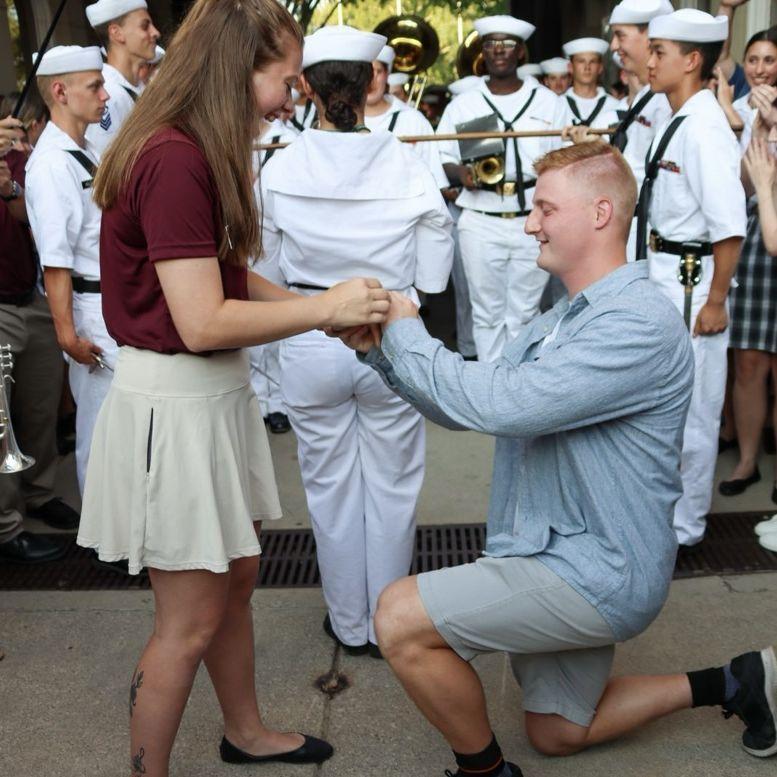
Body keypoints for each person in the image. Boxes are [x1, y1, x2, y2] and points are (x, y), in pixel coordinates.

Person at [337, 140, 776, 777]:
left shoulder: (636, 322)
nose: (529, 222)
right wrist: (382, 353)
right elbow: (473, 401)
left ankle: (485, 773)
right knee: (557, 732)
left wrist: (409, 328)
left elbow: (500, 405)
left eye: (545, 207)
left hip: (598, 570)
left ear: (600, 214)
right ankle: (733, 683)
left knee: (399, 617)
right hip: (550, 549)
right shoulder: (562, 318)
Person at [76, 2, 392, 774]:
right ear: (236, 68)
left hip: (206, 398)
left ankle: (244, 732)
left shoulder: (190, 147)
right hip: (178, 401)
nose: (293, 97)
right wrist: (325, 307)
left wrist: (316, 309)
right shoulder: (176, 157)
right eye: (285, 79)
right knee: (185, 622)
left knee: (237, 575)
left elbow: (220, 276)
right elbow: (201, 318)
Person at [260, 24, 453, 656]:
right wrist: (409, 298)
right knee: (394, 485)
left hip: (313, 333)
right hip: (388, 328)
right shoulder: (406, 160)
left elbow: (266, 272)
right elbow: (436, 261)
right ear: (374, 78)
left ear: (308, 88)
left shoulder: (280, 166)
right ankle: (389, 621)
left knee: (330, 488)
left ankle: (349, 623)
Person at [639, 9, 746, 549]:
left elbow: (730, 227)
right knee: (661, 408)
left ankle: (686, 530)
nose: (649, 60)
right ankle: (664, 517)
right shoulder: (672, 114)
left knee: (695, 412)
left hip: (694, 284)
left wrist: (717, 300)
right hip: (663, 274)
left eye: (660, 52)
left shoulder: (705, 128)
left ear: (692, 60)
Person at [436, 15, 567, 362]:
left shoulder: (548, 102)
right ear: (483, 51)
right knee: (486, 312)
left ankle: (520, 388)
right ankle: (492, 390)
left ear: (520, 52)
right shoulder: (465, 103)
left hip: (533, 220)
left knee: (525, 312)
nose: (498, 51)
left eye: (507, 45)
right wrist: (461, 173)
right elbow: (442, 157)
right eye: (491, 44)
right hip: (479, 219)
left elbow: (565, 162)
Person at [25, 46, 116, 496]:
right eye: (95, 86)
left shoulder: (83, 149)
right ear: (59, 92)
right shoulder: (51, 164)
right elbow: (56, 262)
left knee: (119, 429)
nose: (104, 96)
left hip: (107, 301)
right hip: (89, 307)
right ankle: (105, 546)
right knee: (102, 431)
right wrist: (68, 336)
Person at [0, 109, 76, 563]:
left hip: (31, 295)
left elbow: (26, 218)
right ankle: (7, 528)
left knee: (40, 406)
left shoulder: (20, 157)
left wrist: (10, 187)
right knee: (2, 423)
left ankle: (40, 493)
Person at [721, 28, 777, 503]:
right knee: (749, 359)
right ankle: (746, 460)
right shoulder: (736, 113)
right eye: (753, 60)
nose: (760, 69)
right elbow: (740, 188)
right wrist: (757, 128)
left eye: (770, 60)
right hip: (756, 237)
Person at [601, 0, 674, 260]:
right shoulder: (648, 93)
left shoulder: (671, 97)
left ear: (649, 37)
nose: (614, 46)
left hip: (657, 235)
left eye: (620, 35)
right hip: (634, 229)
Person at [364, 44, 448, 188]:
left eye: (378, 71)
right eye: (366, 72)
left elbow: (433, 184)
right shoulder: (340, 120)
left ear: (387, 75)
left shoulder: (414, 121)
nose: (372, 79)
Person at [84, 0, 160, 155]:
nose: (155, 33)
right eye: (145, 26)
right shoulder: (107, 94)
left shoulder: (140, 89)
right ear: (116, 33)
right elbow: (108, 166)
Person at [560, 38, 620, 129]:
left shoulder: (615, 106)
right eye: (581, 61)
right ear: (570, 67)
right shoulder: (558, 104)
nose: (587, 67)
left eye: (593, 62)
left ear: (600, 67)